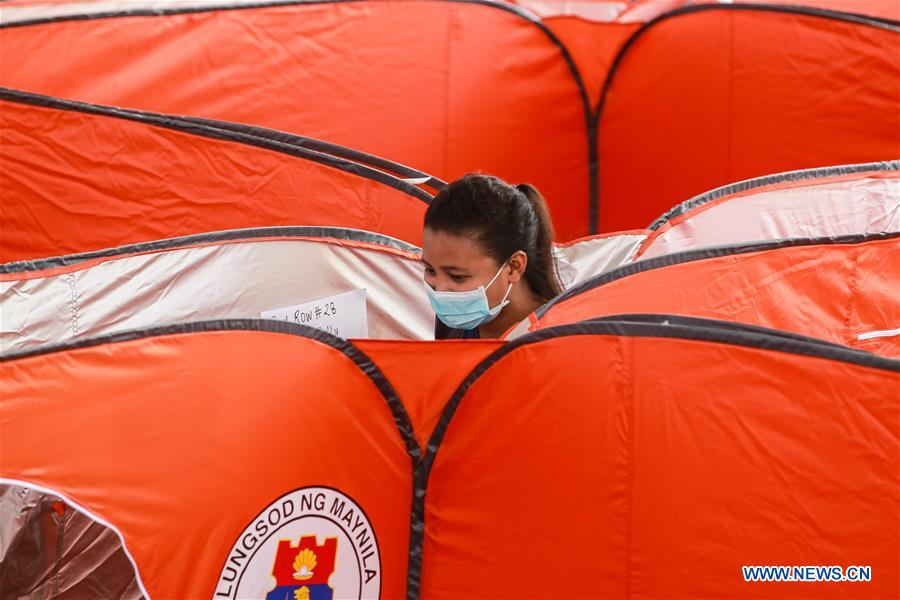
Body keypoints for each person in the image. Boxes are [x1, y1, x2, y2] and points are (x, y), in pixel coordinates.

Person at [422, 174, 563, 340]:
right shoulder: (454, 323)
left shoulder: (557, 340)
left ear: (514, 267)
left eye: (457, 277)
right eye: (430, 270)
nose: (440, 290)